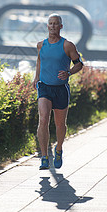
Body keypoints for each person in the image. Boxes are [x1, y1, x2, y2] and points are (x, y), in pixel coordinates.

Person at [32, 13, 84, 170]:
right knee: (43, 119)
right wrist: (36, 78)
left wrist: (68, 72)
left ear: (61, 26)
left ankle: (59, 148)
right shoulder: (41, 45)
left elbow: (79, 64)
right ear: (47, 26)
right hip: (44, 87)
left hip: (61, 89)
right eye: (50, 23)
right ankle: (44, 157)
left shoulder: (67, 45)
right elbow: (40, 60)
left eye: (56, 23)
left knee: (60, 124)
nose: (53, 26)